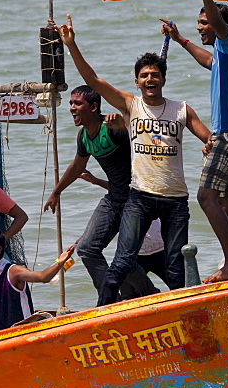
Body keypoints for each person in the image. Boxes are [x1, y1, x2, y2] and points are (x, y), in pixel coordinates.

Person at [55, 14, 210, 306]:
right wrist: (71, 45)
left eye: (155, 75)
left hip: (175, 199)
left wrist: (209, 145)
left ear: (163, 79)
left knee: (177, 270)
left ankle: (183, 316)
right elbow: (93, 80)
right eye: (144, 76)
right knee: (123, 261)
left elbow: (208, 137)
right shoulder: (130, 105)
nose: (150, 79)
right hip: (139, 197)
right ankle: (103, 312)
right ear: (137, 81)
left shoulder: (181, 109)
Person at [161, 0, 228, 282]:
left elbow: (217, 20)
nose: (201, 26)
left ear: (218, 25)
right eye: (199, 23)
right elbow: (206, 61)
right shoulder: (222, 58)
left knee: (205, 197)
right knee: (226, 205)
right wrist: (180, 39)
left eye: (203, 23)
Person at [44, 85, 152, 298]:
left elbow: (143, 139)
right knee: (86, 249)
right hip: (113, 200)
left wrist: (124, 126)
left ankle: (151, 293)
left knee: (124, 260)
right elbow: (76, 167)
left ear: (94, 107)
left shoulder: (111, 128)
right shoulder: (83, 137)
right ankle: (109, 299)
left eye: (78, 103)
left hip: (135, 200)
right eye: (71, 104)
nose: (72, 108)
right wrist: (56, 192)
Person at [79, 171, 169, 293]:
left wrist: (97, 181)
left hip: (159, 248)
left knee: (183, 288)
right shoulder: (116, 203)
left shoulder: (145, 185)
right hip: (134, 256)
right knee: (128, 297)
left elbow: (127, 190)